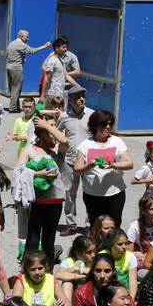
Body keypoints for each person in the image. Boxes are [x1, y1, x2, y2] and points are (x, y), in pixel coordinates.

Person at [18, 114, 68, 263]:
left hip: (55, 203)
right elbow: (18, 172)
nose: (53, 132)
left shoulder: (58, 151)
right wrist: (37, 173)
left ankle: (48, 273)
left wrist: (47, 126)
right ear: (39, 132)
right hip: (36, 201)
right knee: (32, 240)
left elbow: (65, 140)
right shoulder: (29, 150)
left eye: (54, 128)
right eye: (49, 128)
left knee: (49, 240)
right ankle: (28, 272)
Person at [74, 110, 133, 228]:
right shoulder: (85, 144)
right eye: (104, 124)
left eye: (110, 124)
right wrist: (89, 165)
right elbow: (77, 169)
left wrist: (113, 165)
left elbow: (129, 163)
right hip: (92, 194)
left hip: (115, 193)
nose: (108, 127)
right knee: (96, 227)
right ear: (95, 125)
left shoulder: (117, 141)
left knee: (114, 227)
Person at [56, 86, 93, 237]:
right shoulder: (64, 117)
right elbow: (57, 134)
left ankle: (90, 226)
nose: (81, 99)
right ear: (70, 100)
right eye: (77, 97)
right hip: (70, 161)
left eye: (83, 96)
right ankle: (71, 224)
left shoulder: (91, 115)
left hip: (87, 163)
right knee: (70, 194)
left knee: (90, 194)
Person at [6, 30, 51, 112]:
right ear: (21, 37)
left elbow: (8, 55)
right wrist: (44, 46)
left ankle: (16, 106)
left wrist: (20, 59)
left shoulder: (11, 43)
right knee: (17, 88)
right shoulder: (21, 45)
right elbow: (32, 51)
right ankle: (12, 108)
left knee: (12, 88)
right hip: (17, 69)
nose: (28, 38)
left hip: (9, 67)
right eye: (27, 36)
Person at [55, 235, 95, 306]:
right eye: (89, 252)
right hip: (73, 297)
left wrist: (86, 270)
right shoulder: (69, 262)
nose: (93, 255)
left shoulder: (95, 262)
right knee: (67, 281)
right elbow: (57, 275)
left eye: (94, 251)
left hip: (89, 296)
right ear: (78, 253)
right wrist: (75, 269)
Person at [99, 229, 138, 299]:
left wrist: (131, 300)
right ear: (110, 245)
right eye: (120, 244)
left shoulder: (131, 257)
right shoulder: (102, 256)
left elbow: (133, 283)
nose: (124, 247)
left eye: (125, 243)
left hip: (125, 293)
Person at [40, 37, 80, 102]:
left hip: (59, 93)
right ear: (57, 48)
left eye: (66, 47)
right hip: (52, 94)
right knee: (50, 111)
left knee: (58, 111)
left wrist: (78, 86)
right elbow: (46, 78)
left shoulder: (61, 60)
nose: (66, 49)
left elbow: (66, 75)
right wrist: (42, 95)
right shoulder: (52, 61)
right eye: (63, 47)